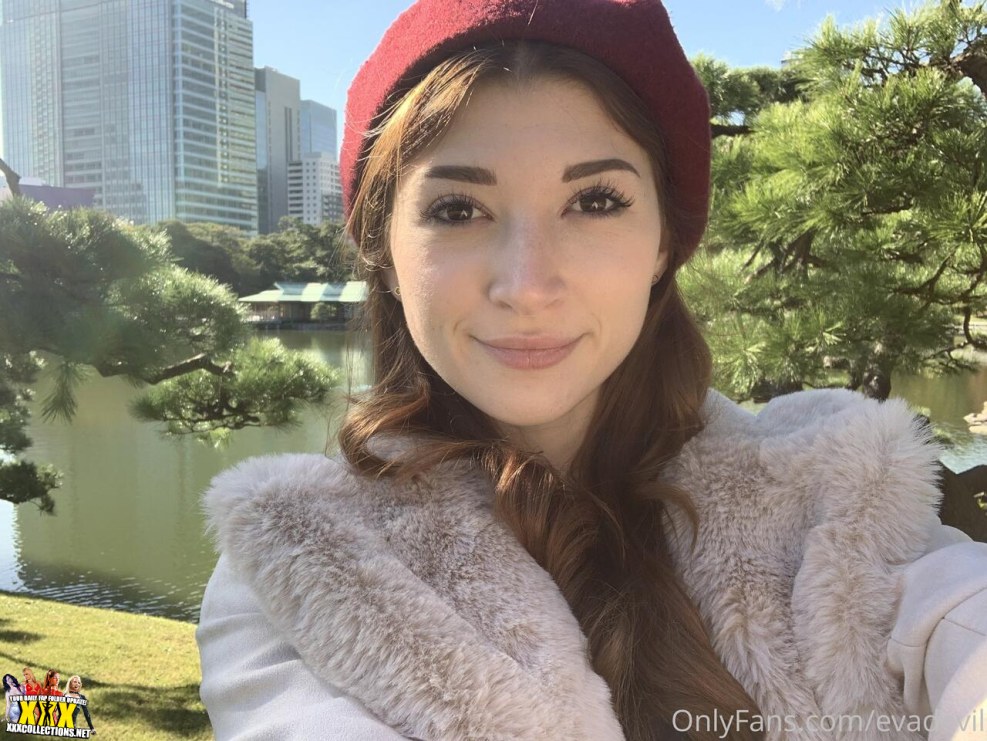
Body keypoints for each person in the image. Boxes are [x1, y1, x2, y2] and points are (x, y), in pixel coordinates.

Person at [197, 1, 987, 739]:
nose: (527, 285)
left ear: (662, 243)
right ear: (384, 255)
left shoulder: (839, 498)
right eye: (457, 209)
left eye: (596, 201)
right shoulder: (302, 565)